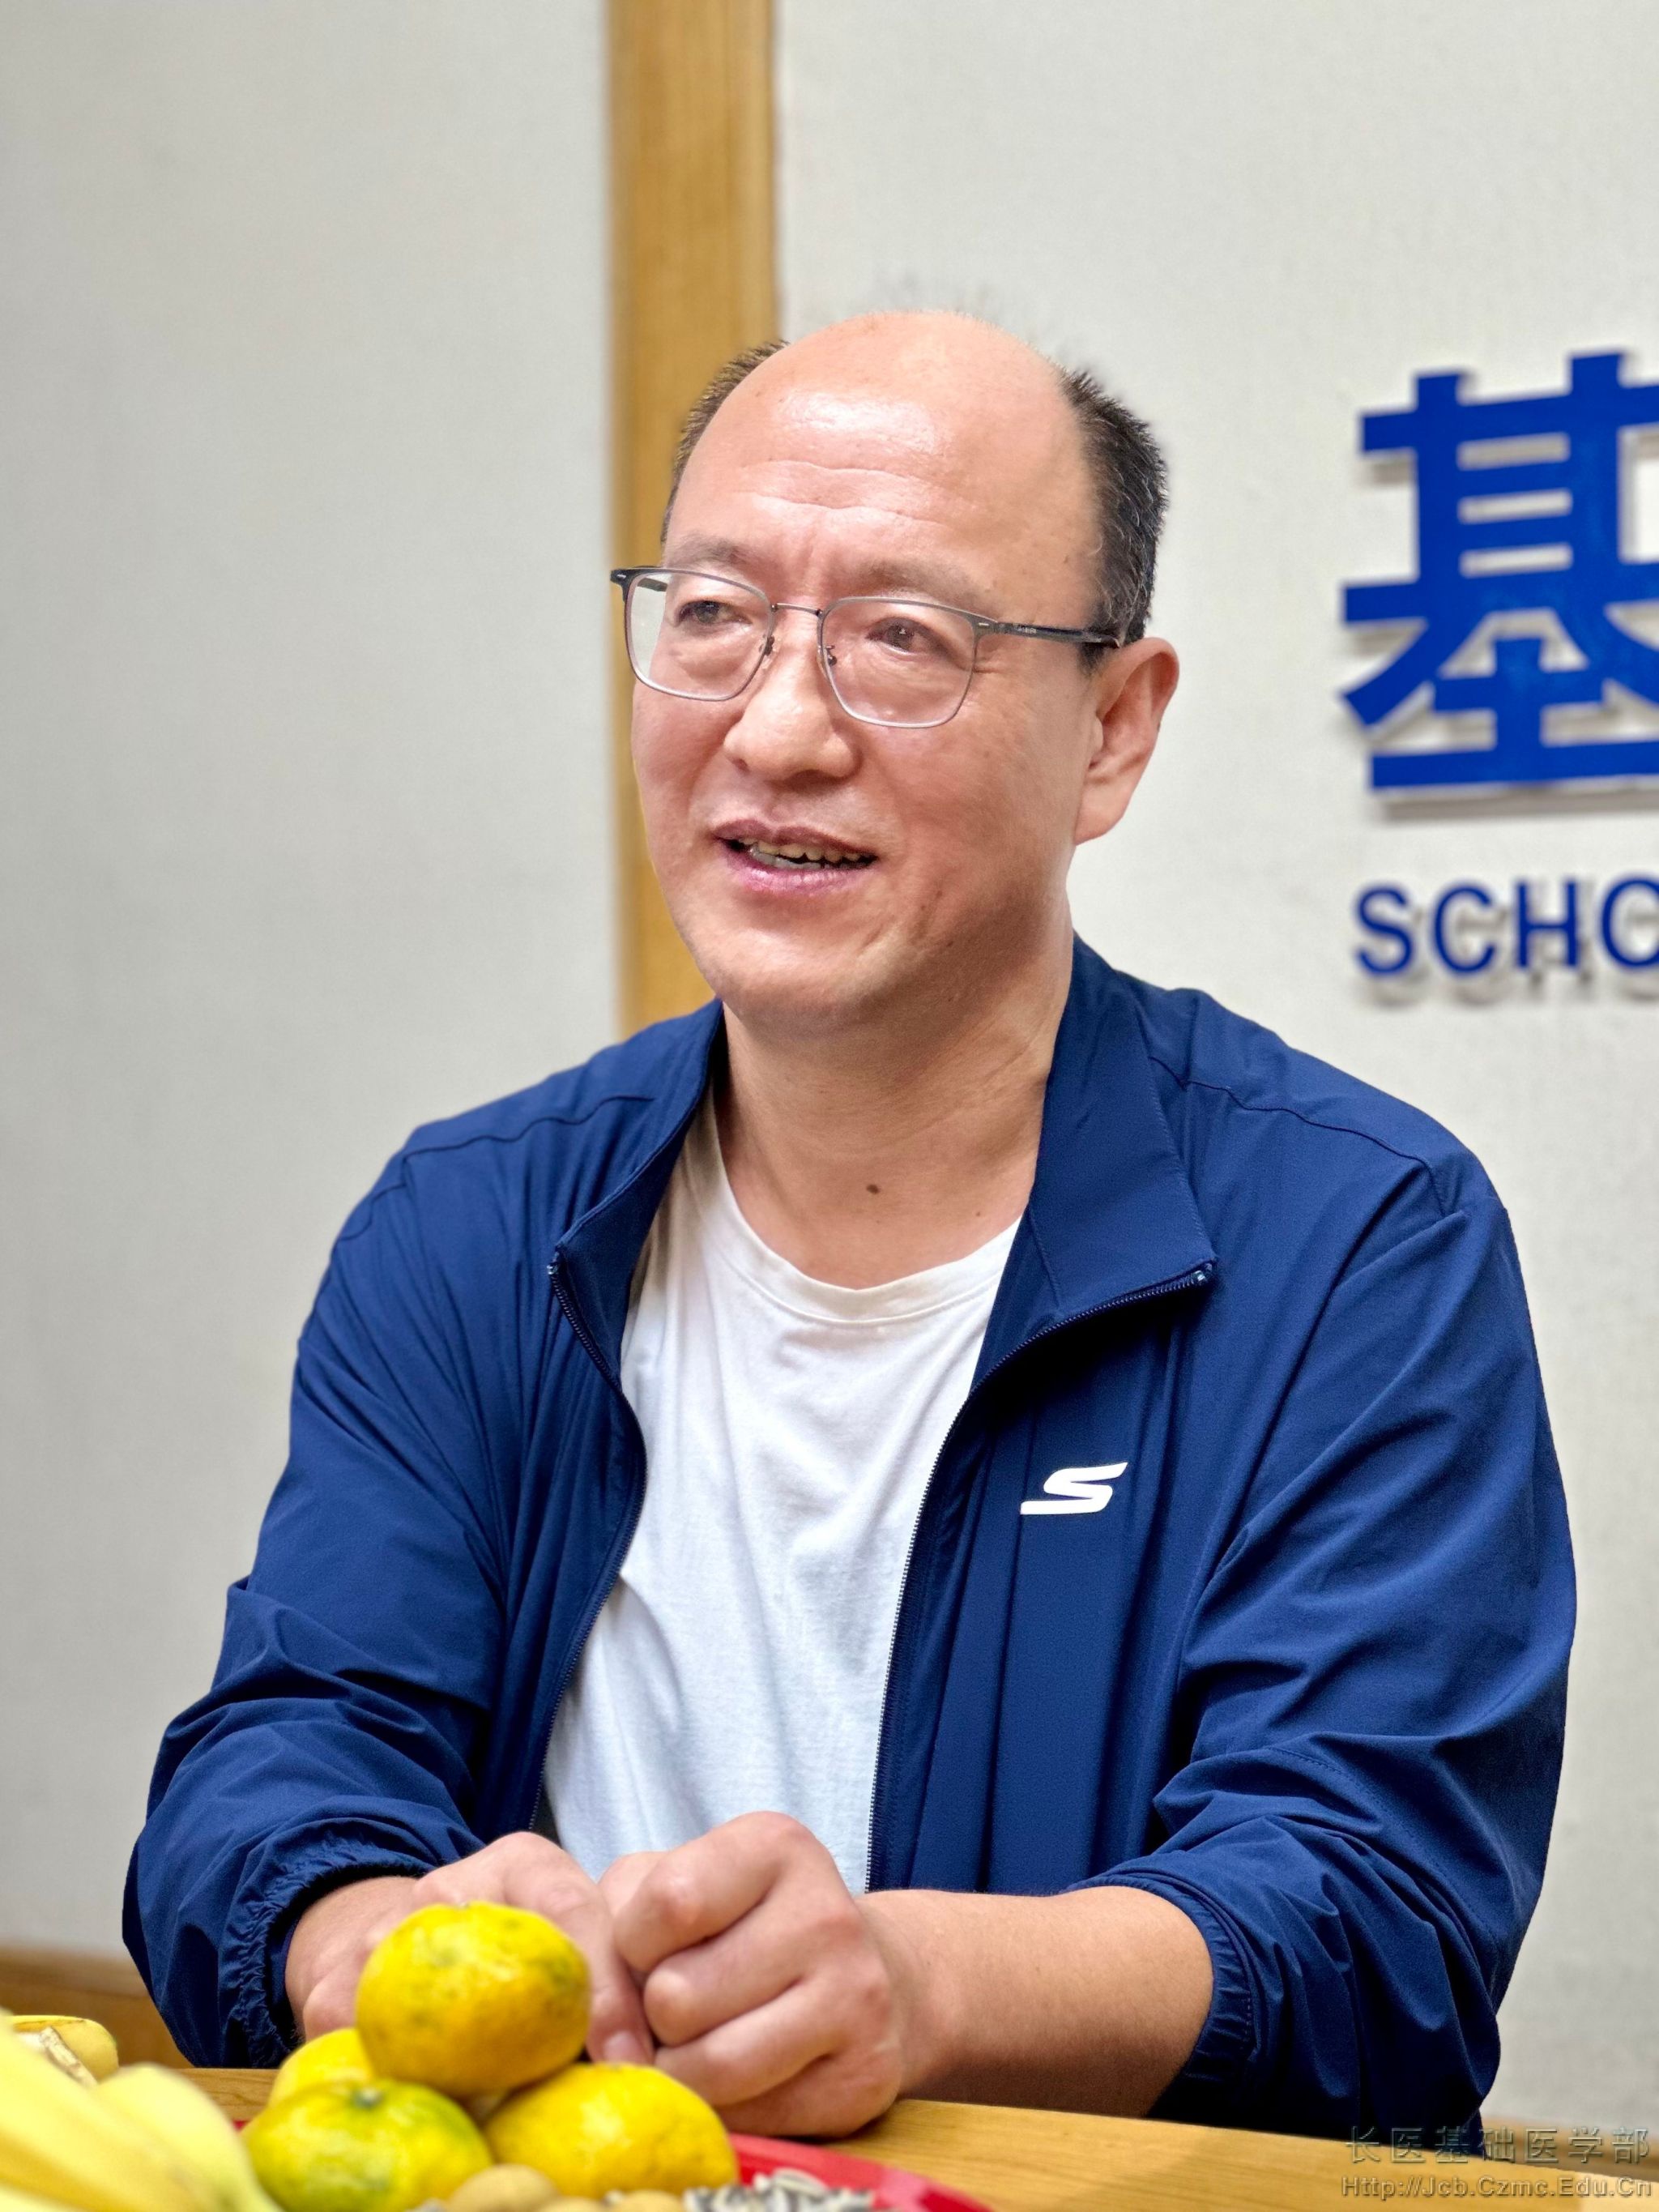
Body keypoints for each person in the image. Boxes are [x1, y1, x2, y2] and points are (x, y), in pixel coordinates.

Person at [126, 312, 1573, 2142]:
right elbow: (285, 1748)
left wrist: (916, 1987)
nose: (778, 728)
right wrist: (362, 1935)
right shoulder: (474, 1223)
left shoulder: (1360, 1240)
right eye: (713, 616)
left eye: (903, 638)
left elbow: (1376, 1920)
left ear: (1112, 729)